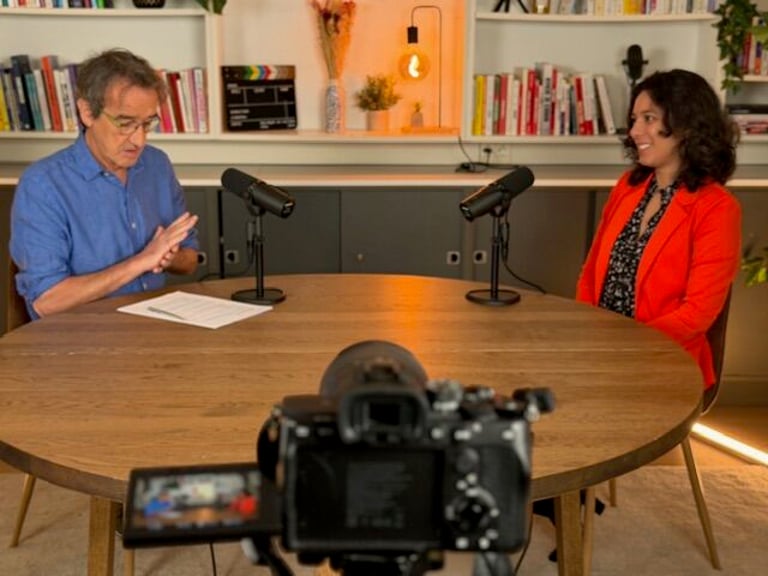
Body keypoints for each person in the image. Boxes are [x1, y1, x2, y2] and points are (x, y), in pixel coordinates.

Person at [577, 68, 742, 399]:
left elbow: (696, 315)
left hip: (666, 361)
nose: (635, 130)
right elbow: (591, 273)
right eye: (634, 119)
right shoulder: (628, 186)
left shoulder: (717, 207)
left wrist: (625, 348)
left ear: (687, 125)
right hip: (602, 353)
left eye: (649, 118)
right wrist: (587, 335)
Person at [10, 48, 199, 320]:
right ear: (87, 113)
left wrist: (170, 257)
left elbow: (190, 260)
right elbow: (46, 302)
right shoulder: (42, 185)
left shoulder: (156, 165)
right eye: (125, 123)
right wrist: (141, 262)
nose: (139, 140)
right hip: (82, 337)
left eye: (147, 124)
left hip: (154, 327)